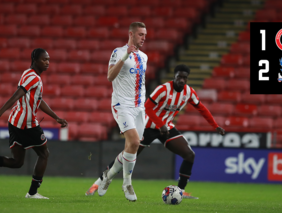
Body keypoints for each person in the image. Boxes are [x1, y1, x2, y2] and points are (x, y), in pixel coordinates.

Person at [86, 64, 225, 199]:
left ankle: (180, 191)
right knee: (127, 156)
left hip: (167, 128)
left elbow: (202, 108)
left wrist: (215, 125)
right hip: (147, 127)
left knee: (189, 155)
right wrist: (160, 124)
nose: (181, 80)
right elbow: (147, 107)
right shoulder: (163, 89)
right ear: (174, 77)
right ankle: (98, 183)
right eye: (179, 77)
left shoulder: (188, 92)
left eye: (184, 78)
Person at [0, 48, 68, 199]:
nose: (47, 62)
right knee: (44, 153)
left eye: (48, 59)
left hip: (15, 122)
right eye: (44, 60)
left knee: (17, 162)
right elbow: (17, 94)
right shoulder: (33, 77)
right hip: (26, 124)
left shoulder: (28, 74)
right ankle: (32, 193)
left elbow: (38, 100)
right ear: (35, 60)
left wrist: (56, 117)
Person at [85, 22, 147, 202]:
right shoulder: (118, 52)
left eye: (145, 35)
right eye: (141, 34)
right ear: (131, 34)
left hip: (139, 108)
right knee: (134, 142)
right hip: (122, 105)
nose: (144, 38)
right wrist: (127, 54)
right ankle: (127, 183)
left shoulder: (144, 57)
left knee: (132, 147)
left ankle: (107, 177)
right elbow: (110, 76)